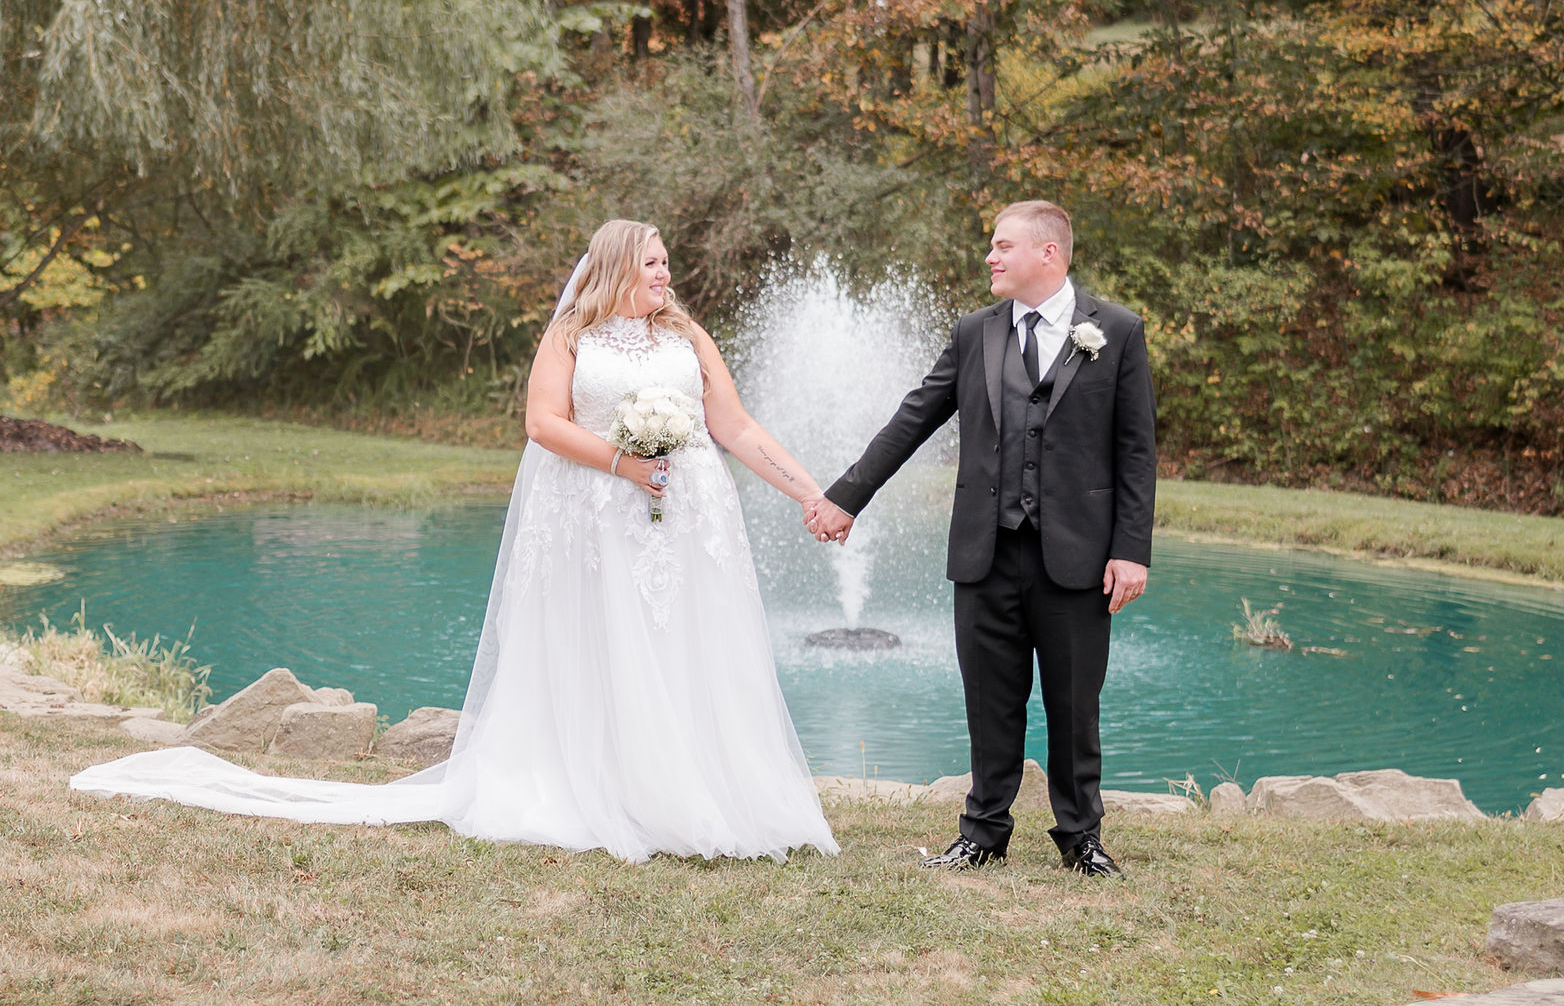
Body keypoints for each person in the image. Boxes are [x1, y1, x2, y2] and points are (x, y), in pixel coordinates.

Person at [71, 219, 840, 864]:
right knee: (605, 648)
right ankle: (615, 789)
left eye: (668, 262)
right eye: (653, 262)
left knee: (685, 648)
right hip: (599, 515)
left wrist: (812, 491)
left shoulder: (687, 336)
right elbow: (543, 424)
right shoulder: (572, 336)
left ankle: (698, 787)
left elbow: (732, 426)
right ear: (615, 268)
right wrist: (625, 464)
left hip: (689, 521)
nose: (667, 273)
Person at [808, 200, 1157, 877]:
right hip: (985, 551)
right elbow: (915, 417)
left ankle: (1081, 836)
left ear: (1048, 253)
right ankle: (983, 832)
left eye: (1002, 246)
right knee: (989, 700)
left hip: (1079, 555)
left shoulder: (1115, 330)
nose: (990, 258)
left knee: (1074, 703)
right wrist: (846, 496)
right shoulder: (976, 332)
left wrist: (1131, 548)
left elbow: (1136, 451)